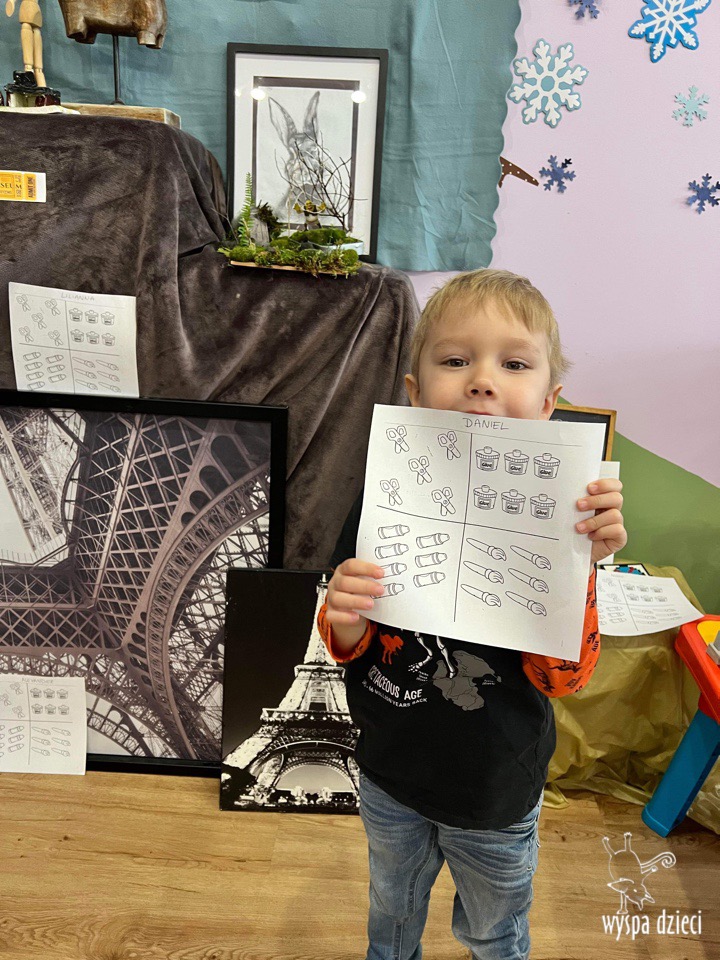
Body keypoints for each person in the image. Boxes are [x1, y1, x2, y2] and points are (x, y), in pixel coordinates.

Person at [317, 269, 627, 960]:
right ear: (415, 392)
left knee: (493, 928)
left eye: (513, 364)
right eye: (456, 360)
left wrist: (582, 567)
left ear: (548, 403)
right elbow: (348, 636)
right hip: (390, 769)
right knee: (391, 908)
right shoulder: (381, 497)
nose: (482, 381)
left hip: (495, 789)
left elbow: (564, 679)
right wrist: (344, 613)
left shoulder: (569, 517)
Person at [5, 0, 46, 88]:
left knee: (33, 32)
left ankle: (34, 70)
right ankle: (33, 71)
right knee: (32, 31)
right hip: (31, 8)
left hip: (33, 9)